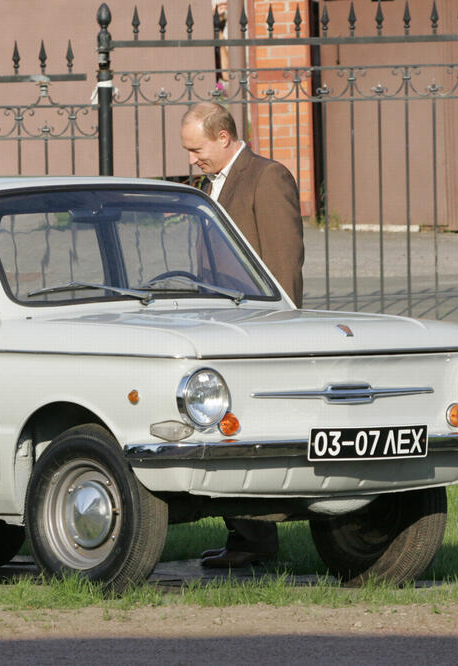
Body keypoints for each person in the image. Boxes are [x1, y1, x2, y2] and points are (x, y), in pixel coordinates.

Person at [179, 101, 304, 568]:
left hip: (258, 329)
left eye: (197, 148)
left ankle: (257, 539)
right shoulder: (213, 184)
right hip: (221, 327)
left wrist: (283, 324)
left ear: (224, 137)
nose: (192, 158)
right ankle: (247, 538)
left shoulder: (266, 177)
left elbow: (284, 258)